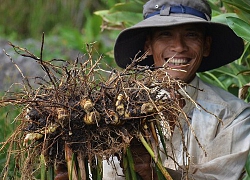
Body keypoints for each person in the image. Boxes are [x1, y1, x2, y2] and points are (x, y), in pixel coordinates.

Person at [105, 0, 250, 179]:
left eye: (191, 35)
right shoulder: (112, 110)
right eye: (165, 34)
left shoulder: (232, 115)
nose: (179, 47)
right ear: (148, 46)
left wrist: (156, 173)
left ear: (206, 46)